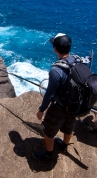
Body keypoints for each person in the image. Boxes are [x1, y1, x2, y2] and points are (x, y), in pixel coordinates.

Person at [32, 33, 76, 163]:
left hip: (60, 107)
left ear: (55, 49)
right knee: (69, 128)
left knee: (48, 132)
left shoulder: (56, 70)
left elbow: (49, 94)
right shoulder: (78, 61)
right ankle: (63, 145)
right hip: (74, 105)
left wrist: (42, 109)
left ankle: (48, 156)